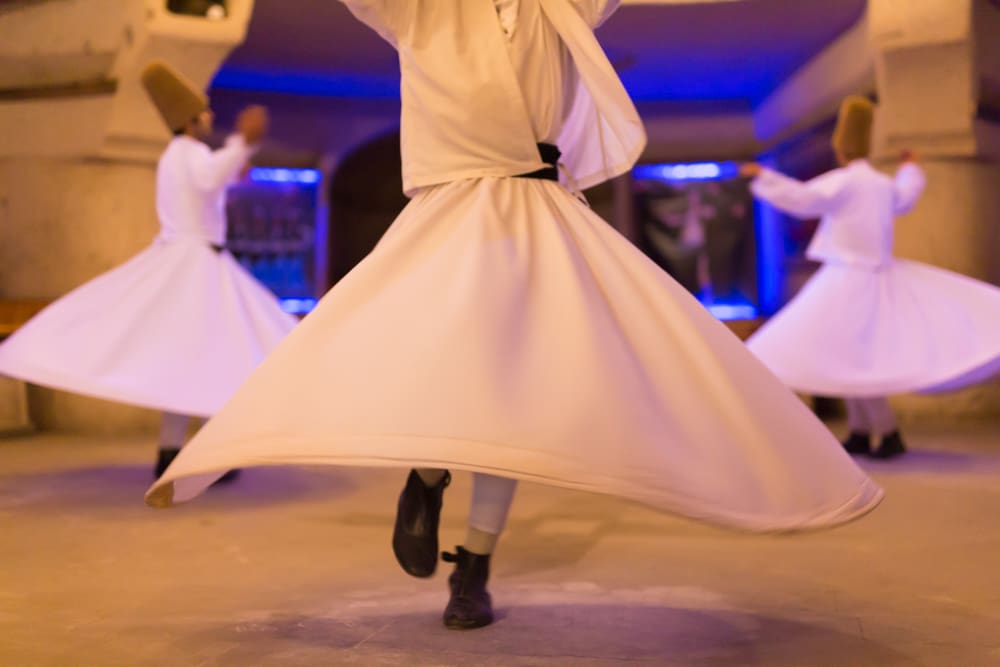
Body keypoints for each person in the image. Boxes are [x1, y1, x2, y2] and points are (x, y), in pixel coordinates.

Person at [146, 1, 882, 630]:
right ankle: (430, 474)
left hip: (537, 212)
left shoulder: (558, 5)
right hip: (453, 212)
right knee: (451, 361)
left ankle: (474, 560)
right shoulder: (420, 7)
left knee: (518, 390)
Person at [0, 62, 297, 476]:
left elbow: (209, 185)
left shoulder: (175, 156)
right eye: (204, 112)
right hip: (194, 266)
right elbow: (211, 178)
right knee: (210, 355)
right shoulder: (191, 154)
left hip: (189, 261)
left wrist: (237, 156)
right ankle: (200, 452)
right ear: (190, 120)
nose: (210, 116)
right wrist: (242, 144)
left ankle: (173, 452)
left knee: (193, 359)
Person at [742, 96, 1000, 459]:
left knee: (853, 360)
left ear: (841, 147)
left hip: (850, 278)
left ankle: (886, 432)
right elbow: (905, 196)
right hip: (876, 276)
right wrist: (910, 168)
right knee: (853, 357)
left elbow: (803, 198)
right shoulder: (879, 184)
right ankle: (863, 431)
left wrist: (764, 177)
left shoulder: (845, 182)